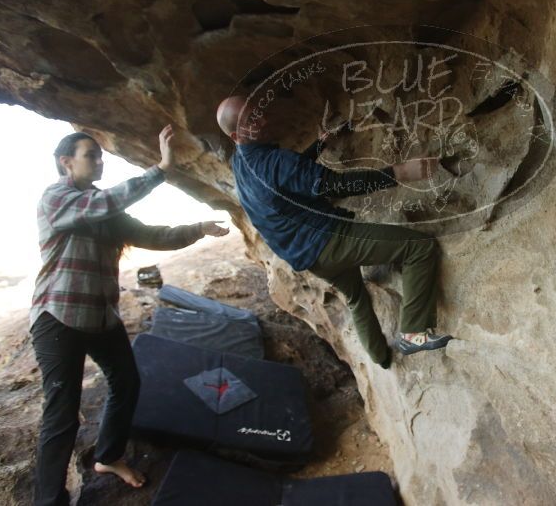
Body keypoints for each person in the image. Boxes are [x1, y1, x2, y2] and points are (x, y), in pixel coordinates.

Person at [29, 125, 229, 506]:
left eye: (101, 155)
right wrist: (161, 169)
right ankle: (48, 500)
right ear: (66, 162)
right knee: (62, 413)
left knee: (127, 382)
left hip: (102, 317)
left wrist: (198, 228)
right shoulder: (58, 197)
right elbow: (104, 205)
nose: (100, 160)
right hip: (59, 318)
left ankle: (108, 456)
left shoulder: (103, 206)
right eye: (92, 155)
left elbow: (152, 235)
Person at [216, 95, 452, 370]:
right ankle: (414, 333)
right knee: (418, 247)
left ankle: (381, 358)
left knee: (356, 298)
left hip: (308, 257)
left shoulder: (241, 163)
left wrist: (319, 145)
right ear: (236, 134)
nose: (263, 119)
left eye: (257, 111)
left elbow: (285, 178)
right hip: (329, 240)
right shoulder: (275, 161)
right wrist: (398, 172)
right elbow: (335, 185)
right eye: (251, 120)